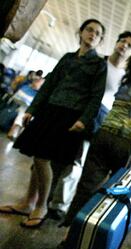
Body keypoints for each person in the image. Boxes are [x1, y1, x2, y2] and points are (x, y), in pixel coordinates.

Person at [0, 19, 107, 228]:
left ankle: (42, 206)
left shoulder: (99, 64)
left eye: (97, 33)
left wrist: (83, 120)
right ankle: (27, 203)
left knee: (42, 158)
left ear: (100, 40)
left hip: (70, 117)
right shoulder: (68, 58)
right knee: (37, 159)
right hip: (50, 110)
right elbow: (49, 84)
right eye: (89, 30)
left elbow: (96, 97)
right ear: (81, 32)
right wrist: (32, 109)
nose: (92, 34)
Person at [47, 31, 131, 220]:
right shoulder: (99, 62)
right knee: (58, 156)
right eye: (122, 41)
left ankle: (59, 204)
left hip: (100, 119)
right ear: (116, 43)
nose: (124, 45)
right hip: (78, 111)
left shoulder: (127, 78)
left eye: (129, 45)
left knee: (77, 160)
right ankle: (47, 195)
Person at [61, 49, 131, 228]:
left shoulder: (125, 83)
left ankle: (70, 233)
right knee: (115, 191)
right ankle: (93, 230)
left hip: (103, 135)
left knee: (86, 187)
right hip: (125, 142)